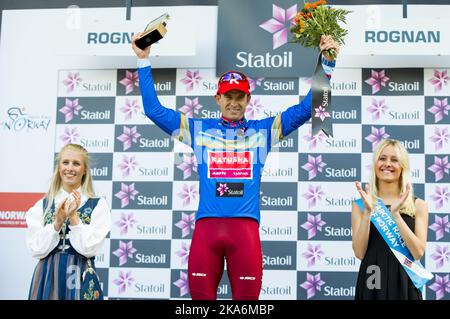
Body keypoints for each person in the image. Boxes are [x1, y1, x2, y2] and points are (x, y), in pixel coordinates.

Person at [131, 32, 339, 300]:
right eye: (228, 96)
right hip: (206, 233)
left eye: (239, 97)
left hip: (245, 234)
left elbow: (307, 108)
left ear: (248, 100)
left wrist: (328, 64)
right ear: (217, 98)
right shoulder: (198, 130)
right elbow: (153, 110)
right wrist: (143, 60)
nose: (233, 102)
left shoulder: (263, 131)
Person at [26, 143, 111, 300]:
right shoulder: (42, 205)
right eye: (65, 162)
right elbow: (36, 249)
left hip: (80, 275)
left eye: (76, 163)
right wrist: (56, 224)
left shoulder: (98, 205)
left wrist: (74, 219)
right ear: (59, 167)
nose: (70, 168)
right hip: (47, 276)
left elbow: (90, 249)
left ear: (84, 169)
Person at [352, 139, 429, 300]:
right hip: (373, 279)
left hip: (404, 280)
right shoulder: (361, 205)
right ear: (375, 164)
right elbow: (359, 253)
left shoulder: (418, 205)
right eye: (382, 158)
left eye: (394, 160)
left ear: (403, 167)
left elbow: (417, 252)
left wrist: (395, 215)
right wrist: (367, 212)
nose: (387, 164)